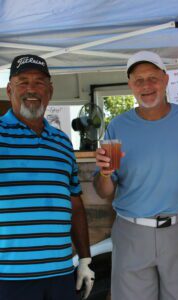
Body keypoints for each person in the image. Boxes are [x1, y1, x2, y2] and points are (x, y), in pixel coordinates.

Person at [94, 50, 178, 300]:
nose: (146, 85)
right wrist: (104, 174)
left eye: (152, 77)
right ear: (130, 85)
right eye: (138, 80)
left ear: (165, 80)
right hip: (132, 232)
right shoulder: (117, 126)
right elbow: (104, 191)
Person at [0, 54, 94, 300]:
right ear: (10, 89)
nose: (31, 89)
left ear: (50, 90)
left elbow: (74, 204)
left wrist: (84, 258)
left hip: (60, 273)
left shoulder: (62, 142)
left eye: (39, 82)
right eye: (23, 82)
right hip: (8, 276)